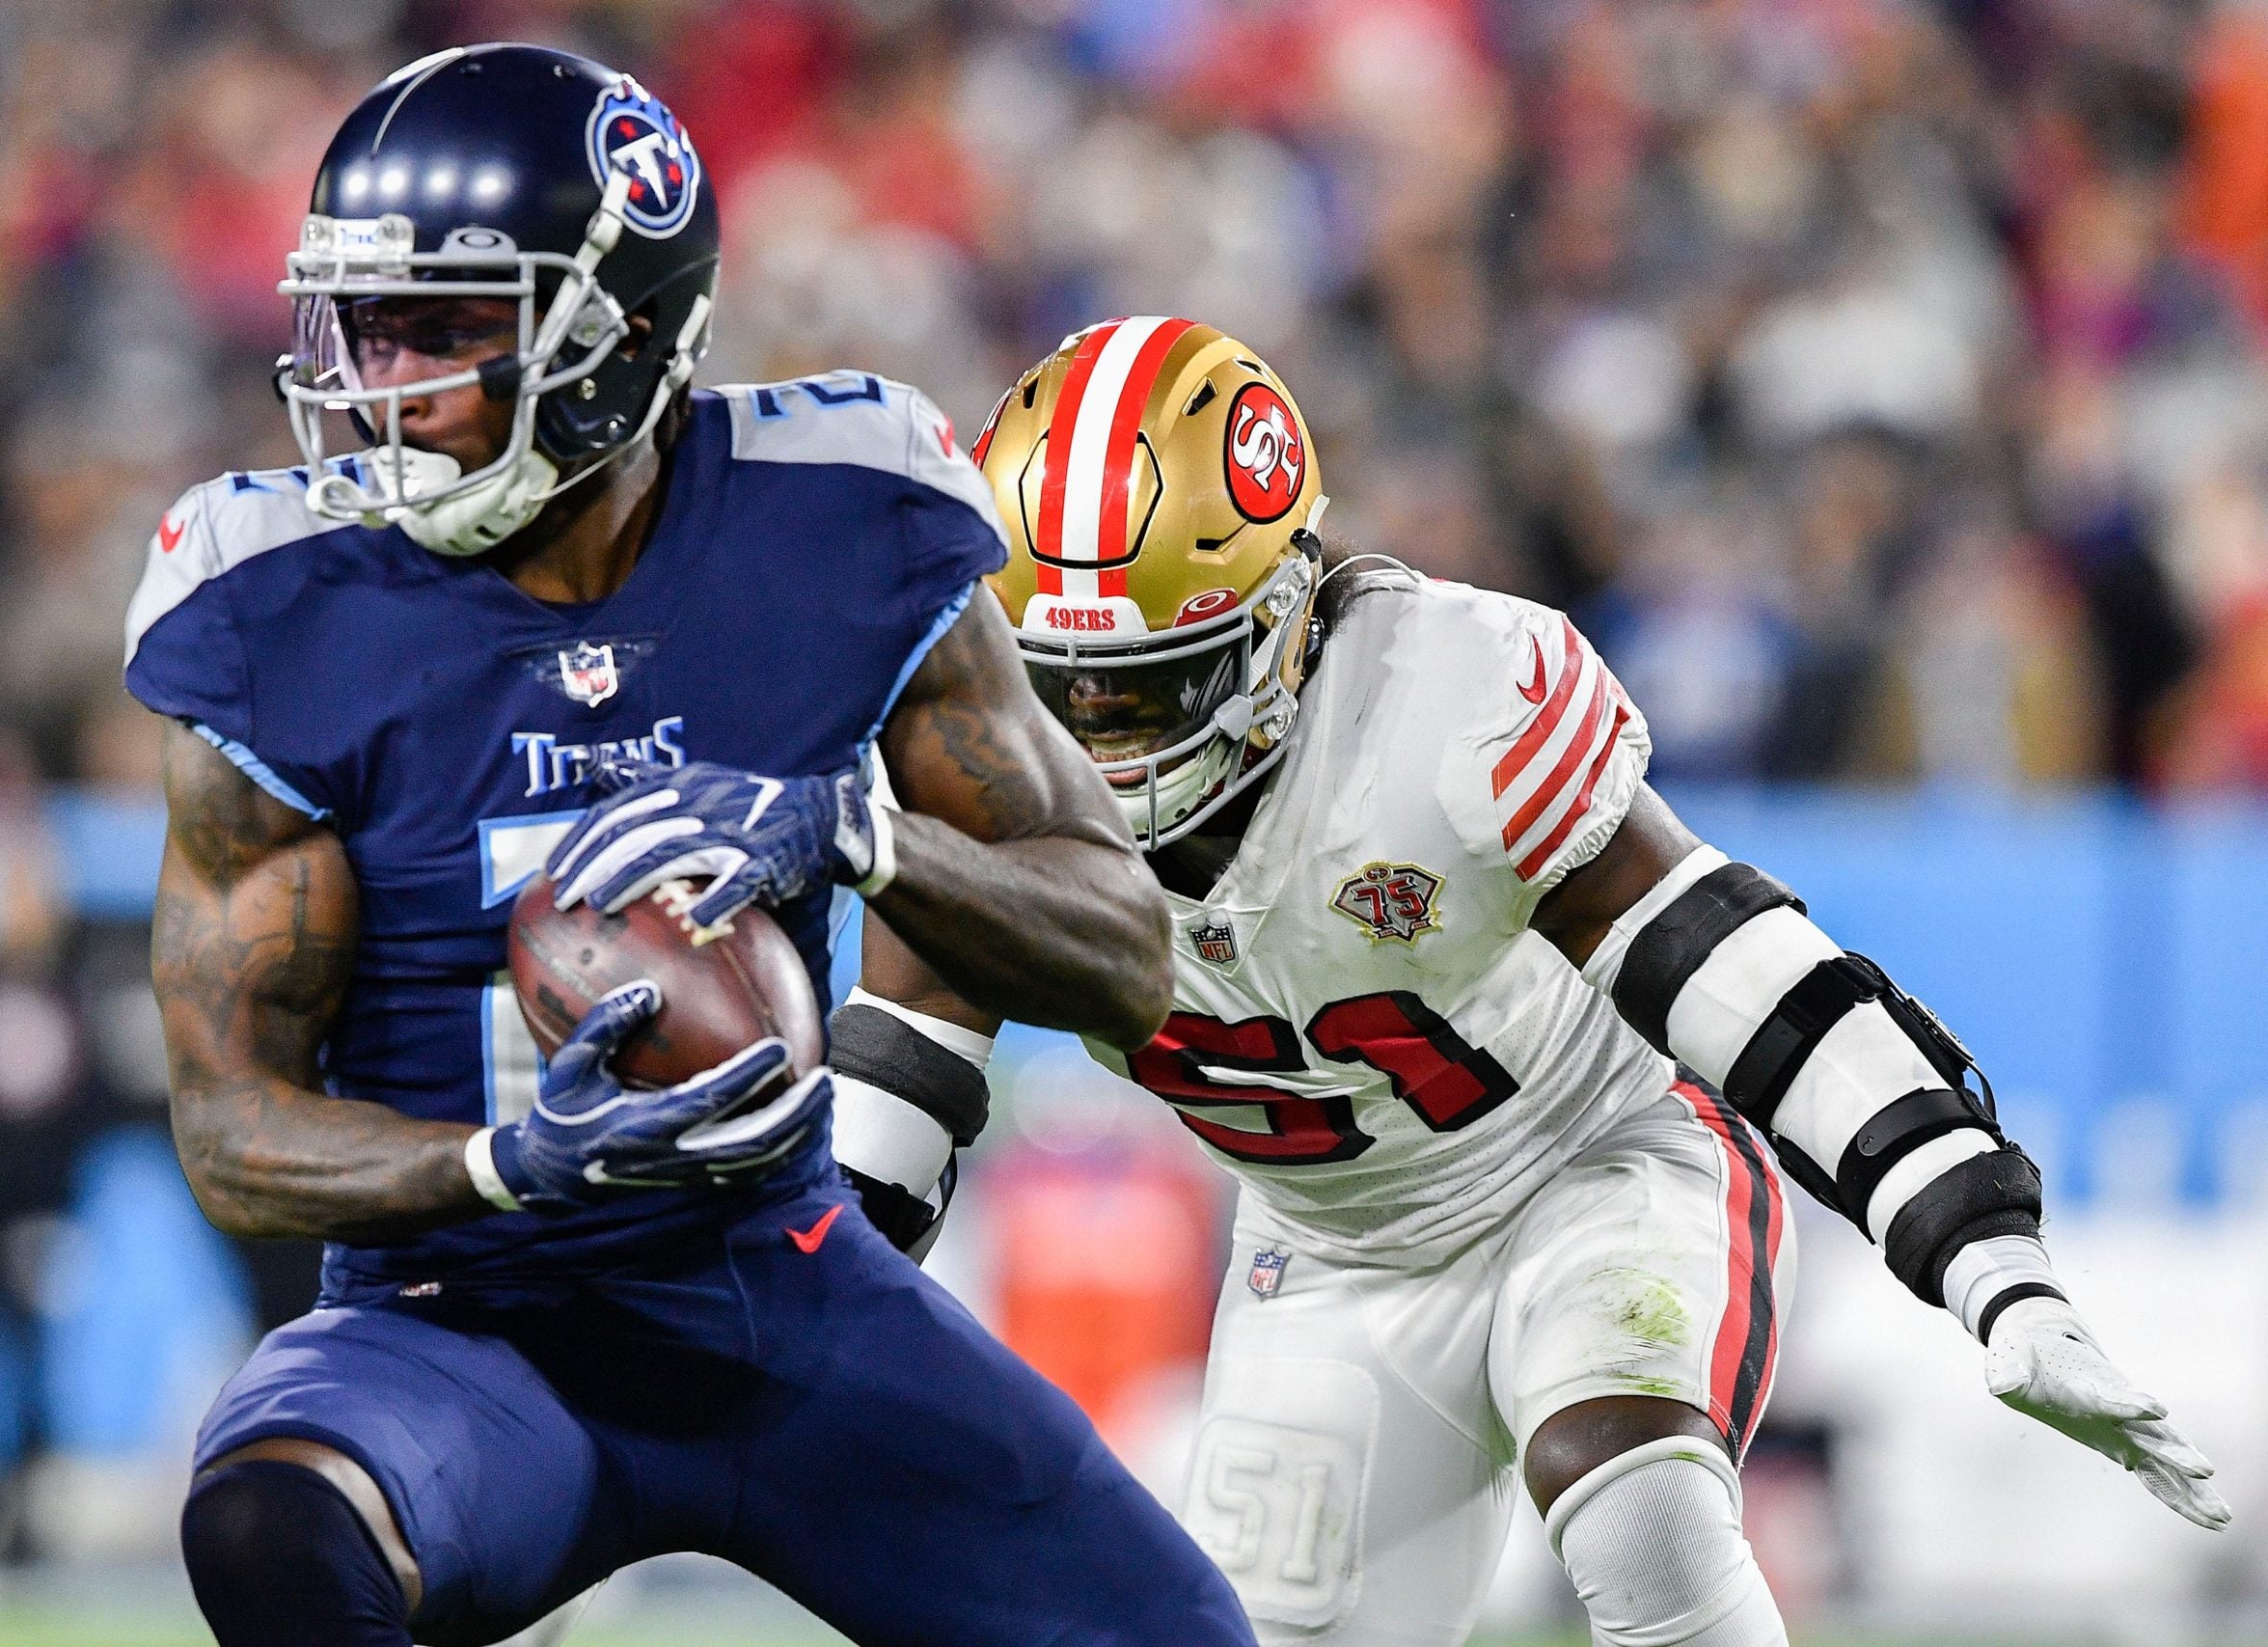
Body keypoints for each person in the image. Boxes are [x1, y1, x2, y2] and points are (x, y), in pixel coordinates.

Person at [834, 317, 2230, 1647]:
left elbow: (1732, 963)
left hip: (1596, 1157)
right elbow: (879, 1129)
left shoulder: (1448, 701)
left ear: (1277, 614)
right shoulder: (968, 766)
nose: (1091, 741)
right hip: (1330, 1249)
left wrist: (1982, 1253)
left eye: (1140, 691)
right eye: (1058, 681)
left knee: (1635, 1503)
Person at [124, 47, 1250, 1647]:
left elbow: (1123, 949)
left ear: (617, 337)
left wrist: (866, 834)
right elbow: (233, 1129)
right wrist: (489, 1167)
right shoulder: (273, 602)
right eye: (361, 325)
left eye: (444, 329)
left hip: (782, 1290)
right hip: (461, 1328)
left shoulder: (841, 515)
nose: (380, 384)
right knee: (274, 1530)